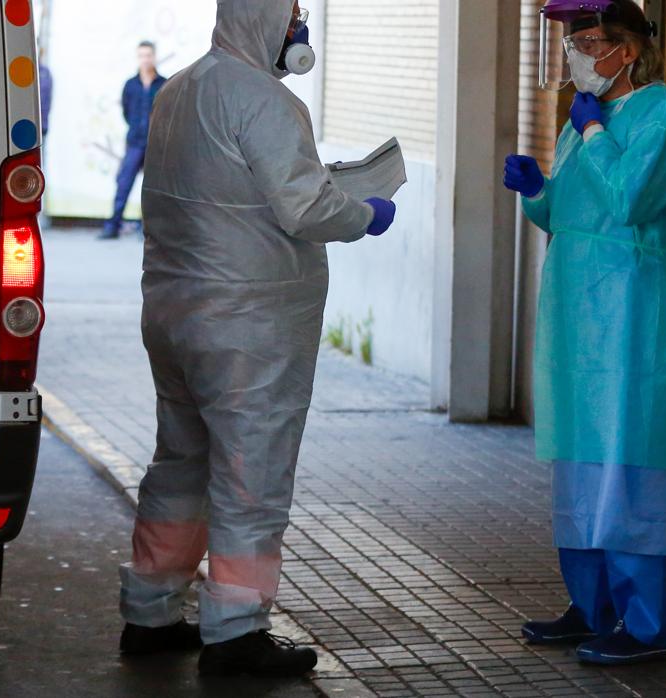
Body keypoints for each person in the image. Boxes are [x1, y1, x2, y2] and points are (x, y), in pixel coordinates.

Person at [117, 0, 397, 677]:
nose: (299, 29)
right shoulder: (265, 101)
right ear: (263, 18)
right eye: (293, 15)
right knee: (251, 477)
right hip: (249, 328)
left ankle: (150, 613)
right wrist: (365, 211)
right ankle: (236, 631)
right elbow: (305, 205)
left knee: (180, 465)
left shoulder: (180, 91)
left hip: (175, 314)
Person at [503, 0, 666, 667]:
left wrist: (592, 135)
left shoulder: (663, 115)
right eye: (571, 42)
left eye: (589, 42)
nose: (576, 55)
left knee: (633, 460)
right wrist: (536, 189)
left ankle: (646, 624)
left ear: (626, 49)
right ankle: (591, 606)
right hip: (579, 312)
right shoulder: (582, 120)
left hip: (636, 310)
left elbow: (632, 199)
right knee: (583, 462)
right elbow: (567, 212)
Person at [99, 41, 168, 240]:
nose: (145, 59)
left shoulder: (163, 84)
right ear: (138, 58)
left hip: (156, 144)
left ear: (154, 57)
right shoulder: (130, 85)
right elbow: (127, 112)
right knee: (124, 183)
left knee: (154, 187)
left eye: (148, 55)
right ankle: (113, 226)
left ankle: (149, 228)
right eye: (141, 55)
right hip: (135, 142)